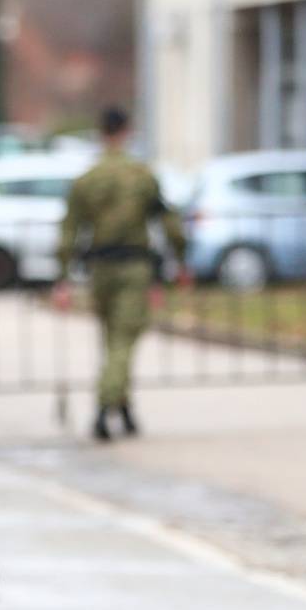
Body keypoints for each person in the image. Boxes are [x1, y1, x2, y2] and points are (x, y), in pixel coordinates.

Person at [53, 105, 190, 440]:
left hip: (100, 269)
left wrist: (63, 276)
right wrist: (181, 258)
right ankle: (104, 409)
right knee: (124, 341)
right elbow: (168, 220)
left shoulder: (87, 179)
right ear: (127, 131)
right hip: (134, 268)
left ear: (101, 132)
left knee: (112, 339)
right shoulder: (142, 175)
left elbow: (70, 228)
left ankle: (125, 409)